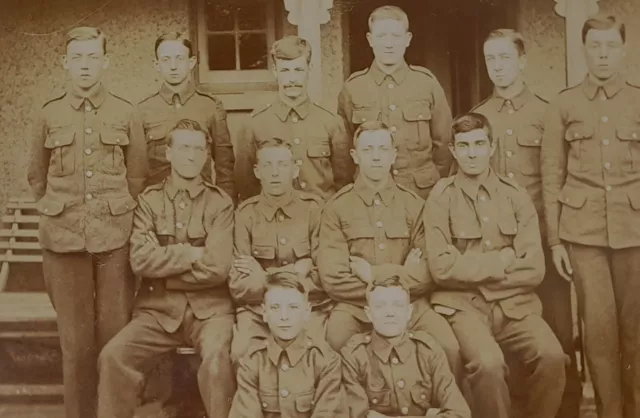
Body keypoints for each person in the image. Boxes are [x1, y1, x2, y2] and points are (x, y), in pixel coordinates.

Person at [26, 26, 148, 418]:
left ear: (105, 63)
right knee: (75, 346)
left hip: (113, 242)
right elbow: (36, 177)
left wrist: (117, 209)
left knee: (114, 341)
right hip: (63, 242)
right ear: (65, 64)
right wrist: (59, 210)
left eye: (92, 57)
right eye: (77, 58)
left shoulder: (125, 112)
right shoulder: (49, 114)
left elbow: (137, 174)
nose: (84, 66)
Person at [423, 112, 566, 418]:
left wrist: (470, 271)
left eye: (479, 144)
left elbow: (534, 270)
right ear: (453, 150)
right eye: (463, 146)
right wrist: (500, 261)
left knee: (553, 357)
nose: (472, 153)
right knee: (487, 365)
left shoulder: (515, 196)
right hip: (464, 309)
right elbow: (440, 267)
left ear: (492, 147)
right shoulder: (440, 198)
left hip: (515, 307)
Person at [470, 29, 580, 418]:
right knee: (512, 337)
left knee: (559, 335)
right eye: (490, 59)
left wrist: (557, 240)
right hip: (501, 250)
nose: (497, 67)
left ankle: (565, 412)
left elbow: (559, 177)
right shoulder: (480, 117)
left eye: (504, 58)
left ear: (522, 61)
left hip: (544, 244)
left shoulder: (547, 112)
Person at [96, 119, 235, 418]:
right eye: (184, 147)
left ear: (207, 156)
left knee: (217, 360)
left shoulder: (220, 204)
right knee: (113, 356)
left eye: (198, 149)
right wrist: (189, 253)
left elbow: (218, 267)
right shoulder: (149, 201)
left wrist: (166, 267)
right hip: (157, 311)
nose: (191, 156)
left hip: (210, 311)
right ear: (169, 153)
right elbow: (140, 260)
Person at [541, 15, 640, 418]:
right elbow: (552, 173)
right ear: (584, 50)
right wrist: (555, 240)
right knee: (598, 334)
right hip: (583, 236)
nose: (602, 54)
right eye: (594, 46)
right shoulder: (565, 104)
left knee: (636, 332)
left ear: (624, 49)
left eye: (610, 46)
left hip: (635, 230)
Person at [318, 120, 462, 382]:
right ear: (355, 156)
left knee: (448, 347)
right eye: (368, 149)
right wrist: (400, 274)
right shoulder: (337, 208)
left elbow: (428, 273)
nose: (376, 157)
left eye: (383, 149)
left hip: (410, 305)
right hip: (355, 307)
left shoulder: (414, 205)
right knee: (334, 346)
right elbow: (333, 279)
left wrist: (372, 273)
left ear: (393, 155)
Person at [229, 137, 332, 363]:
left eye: (282, 165)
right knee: (241, 351)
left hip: (308, 308)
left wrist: (263, 276)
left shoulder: (314, 210)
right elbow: (239, 286)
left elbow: (323, 277)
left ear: (295, 170)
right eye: (267, 165)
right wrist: (295, 271)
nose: (275, 172)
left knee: (317, 354)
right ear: (257, 171)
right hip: (260, 310)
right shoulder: (245, 214)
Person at [338, 5, 453, 200]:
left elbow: (445, 143)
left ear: (407, 40)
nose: (389, 44)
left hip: (421, 193)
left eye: (396, 36)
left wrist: (431, 182)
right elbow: (344, 148)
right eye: (382, 36)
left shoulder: (426, 83)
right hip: (370, 195)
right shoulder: (353, 88)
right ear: (370, 40)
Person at [235, 35, 354, 202]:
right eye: (285, 70)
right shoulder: (254, 124)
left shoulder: (331, 123)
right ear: (275, 72)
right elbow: (246, 186)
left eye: (298, 70)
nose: (292, 79)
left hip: (322, 222)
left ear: (309, 69)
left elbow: (344, 184)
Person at [341, 274, 470, 418]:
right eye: (380, 306)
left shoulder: (428, 351)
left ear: (409, 312)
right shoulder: (354, 356)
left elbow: (459, 414)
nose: (390, 313)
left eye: (397, 305)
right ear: (369, 313)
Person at [229, 271, 345, 418]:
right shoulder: (252, 362)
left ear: (306, 312)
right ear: (264, 313)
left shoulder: (325, 361)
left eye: (293, 307)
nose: (284, 317)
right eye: (275, 308)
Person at [138, 32, 235, 201]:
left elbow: (224, 166)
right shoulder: (143, 110)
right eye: (166, 60)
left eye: (180, 59)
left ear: (192, 62)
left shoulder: (210, 106)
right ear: (156, 64)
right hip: (158, 206)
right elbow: (136, 169)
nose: (173, 66)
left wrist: (227, 205)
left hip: (201, 202)